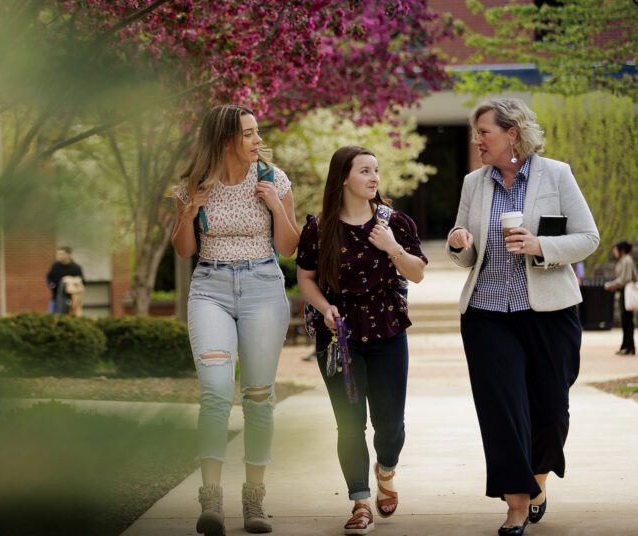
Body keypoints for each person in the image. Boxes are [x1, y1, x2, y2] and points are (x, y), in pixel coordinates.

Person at [446, 98, 599, 536]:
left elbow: (588, 237)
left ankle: (538, 480)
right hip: (486, 313)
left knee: (551, 409)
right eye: (476, 134)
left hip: (549, 311)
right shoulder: (474, 183)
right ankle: (515, 505)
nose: (477, 141)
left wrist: (541, 247)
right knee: (502, 411)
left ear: (512, 133)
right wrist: (459, 243)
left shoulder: (556, 174)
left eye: (484, 133)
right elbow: (465, 254)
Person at [171, 104, 299, 535]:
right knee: (215, 391)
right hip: (210, 288)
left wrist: (275, 207)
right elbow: (184, 249)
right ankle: (210, 500)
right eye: (249, 133)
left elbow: (289, 246)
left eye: (257, 131)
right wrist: (189, 213)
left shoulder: (273, 179)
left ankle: (253, 499)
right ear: (227, 139)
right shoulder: (193, 185)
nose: (257, 139)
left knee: (259, 395)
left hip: (263, 285)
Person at [295, 146, 426, 535]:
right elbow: (306, 278)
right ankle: (360, 502)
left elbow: (417, 274)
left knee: (391, 426)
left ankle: (385, 470)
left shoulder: (395, 223)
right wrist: (324, 309)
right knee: (349, 425)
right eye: (365, 171)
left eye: (376, 171)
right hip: (340, 338)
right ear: (344, 178)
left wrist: (391, 247)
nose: (374, 178)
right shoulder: (319, 228)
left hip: (387, 330)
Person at [605, 241, 637, 355]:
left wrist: (611, 285)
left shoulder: (626, 260)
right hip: (624, 292)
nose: (614, 252)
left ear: (621, 250)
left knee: (627, 321)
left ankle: (628, 347)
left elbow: (625, 279)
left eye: (615, 249)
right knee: (626, 320)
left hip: (626, 292)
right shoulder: (625, 260)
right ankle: (627, 346)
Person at [45, 247, 84, 315]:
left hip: (71, 299)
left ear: (69, 255)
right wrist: (51, 284)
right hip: (56, 297)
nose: (60, 256)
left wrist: (71, 282)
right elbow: (49, 277)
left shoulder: (76, 268)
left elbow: (82, 282)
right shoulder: (56, 266)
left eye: (62, 254)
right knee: (52, 316)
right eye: (59, 254)